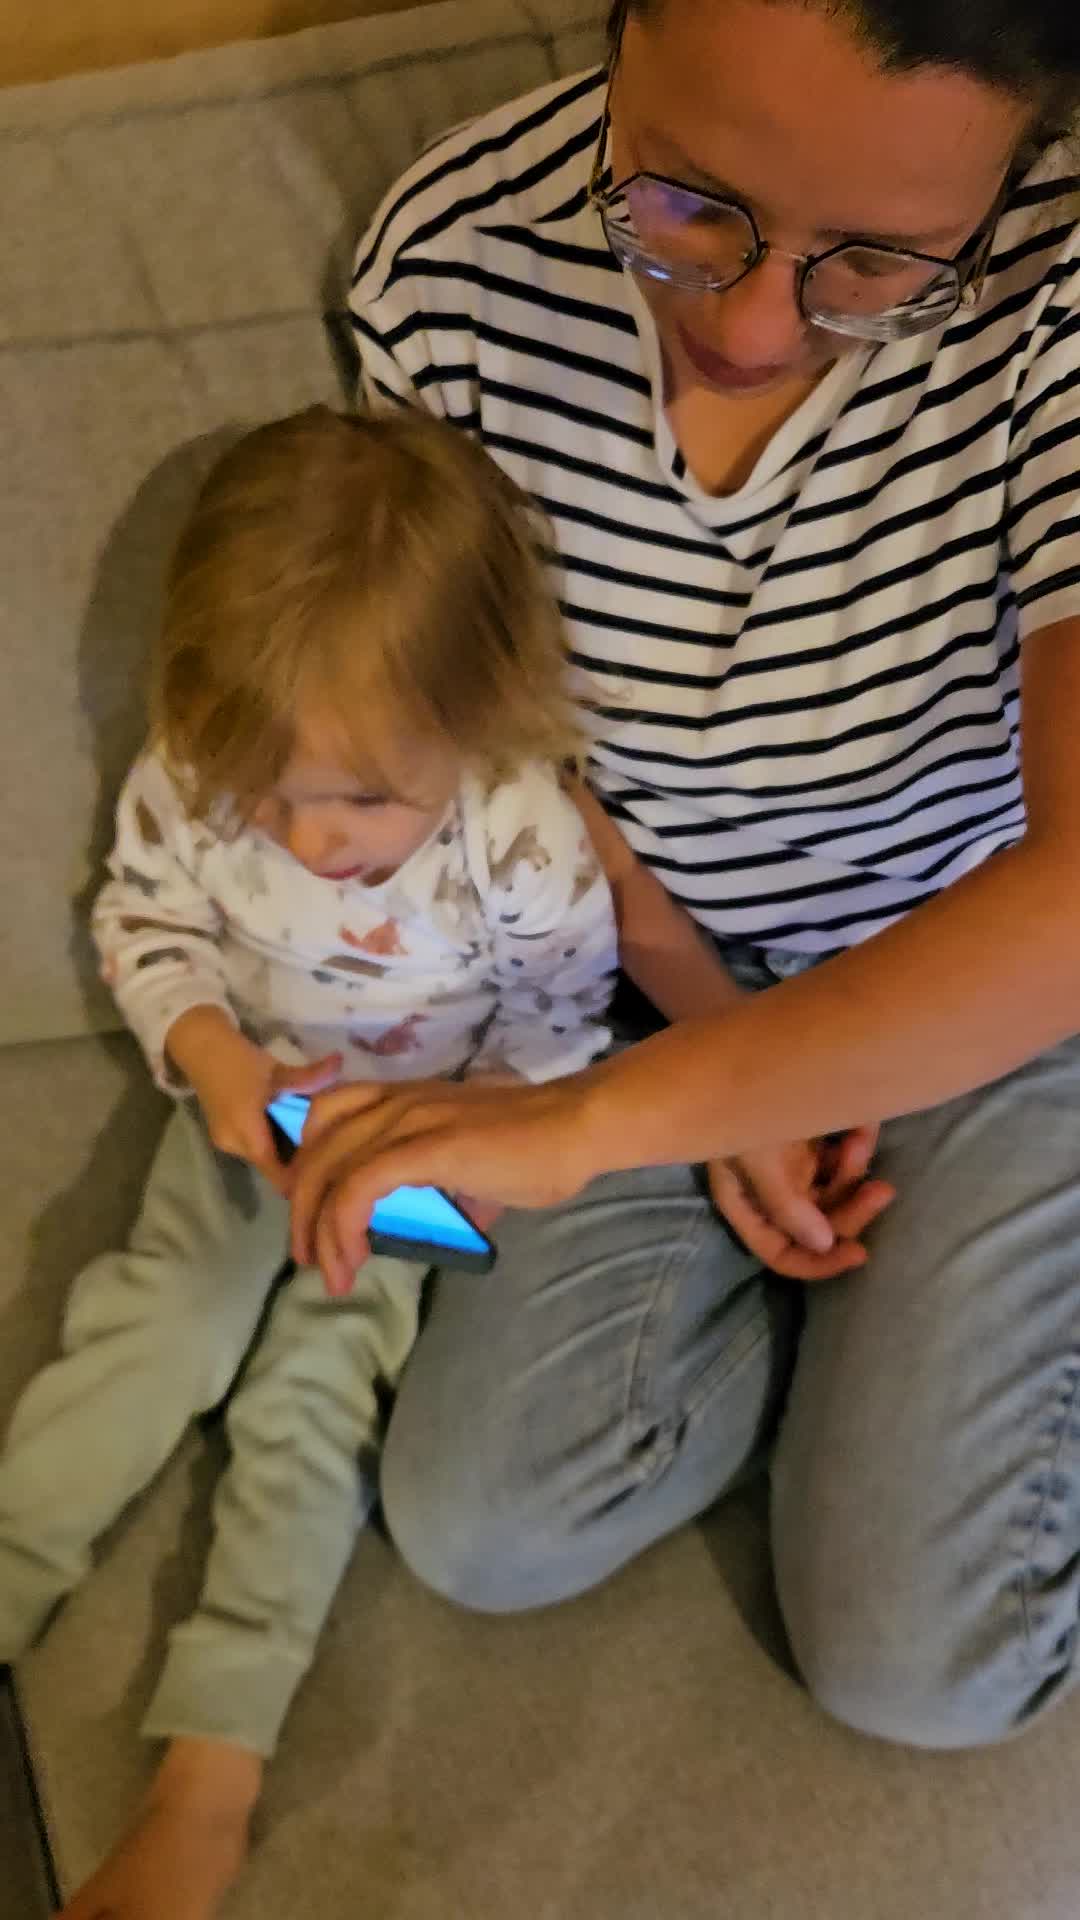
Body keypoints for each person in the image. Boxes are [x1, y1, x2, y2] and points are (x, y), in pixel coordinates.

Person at [289, 0, 1080, 1752]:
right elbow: (508, 733)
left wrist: (591, 1132)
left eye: (880, 264)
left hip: (1003, 993)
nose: (747, 325)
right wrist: (714, 1050)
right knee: (481, 1522)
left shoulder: (1064, 293)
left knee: (920, 1668)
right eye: (683, 201)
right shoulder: (452, 261)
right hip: (660, 968)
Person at [0, 404, 622, 1920]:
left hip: (415, 1155)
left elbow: (562, 1022)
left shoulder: (517, 829)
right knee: (155, 1331)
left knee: (312, 1399)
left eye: (360, 802)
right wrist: (216, 1062)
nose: (308, 838)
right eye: (272, 795)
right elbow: (144, 921)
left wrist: (464, 1156)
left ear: (475, 721)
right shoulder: (200, 766)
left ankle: (209, 1776)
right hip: (247, 1115)